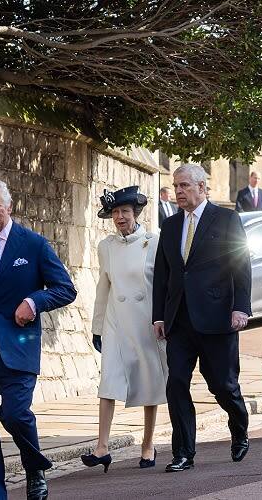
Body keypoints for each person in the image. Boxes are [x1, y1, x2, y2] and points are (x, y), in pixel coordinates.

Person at [0, 178, 77, 500]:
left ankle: (34, 468)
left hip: (17, 350)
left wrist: (34, 302)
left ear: (9, 207)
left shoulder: (33, 244)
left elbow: (65, 289)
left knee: (14, 414)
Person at [152, 164, 252, 472]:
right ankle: (183, 452)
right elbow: (162, 275)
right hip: (179, 320)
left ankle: (238, 426)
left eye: (184, 186)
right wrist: (159, 316)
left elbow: (240, 264)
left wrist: (240, 307)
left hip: (218, 316)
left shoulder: (225, 219)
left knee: (222, 385)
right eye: (176, 186)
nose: (179, 191)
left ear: (202, 187)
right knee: (176, 383)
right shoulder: (169, 226)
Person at [81, 186, 166, 472]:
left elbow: (162, 287)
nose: (120, 217)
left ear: (136, 213)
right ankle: (102, 446)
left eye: (125, 212)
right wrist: (97, 325)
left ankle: (148, 443)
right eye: (115, 212)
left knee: (149, 381)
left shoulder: (153, 242)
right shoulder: (106, 246)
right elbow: (104, 286)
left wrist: (162, 319)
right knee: (109, 381)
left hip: (146, 322)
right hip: (116, 321)